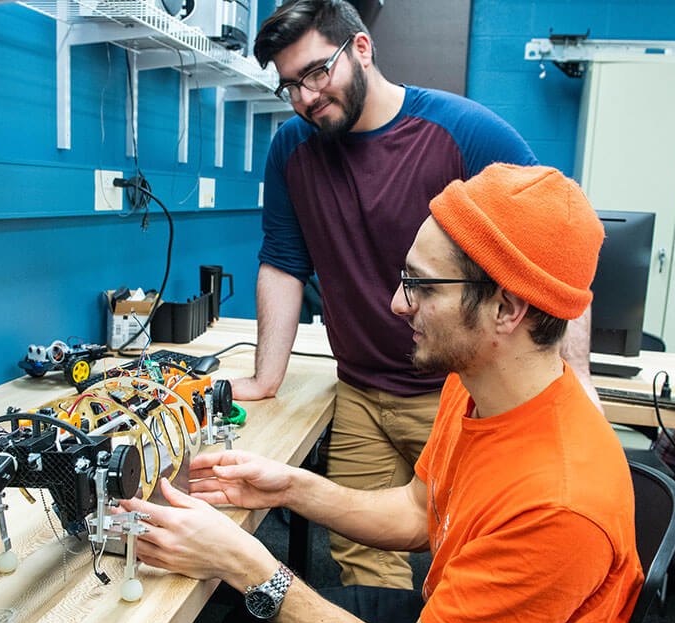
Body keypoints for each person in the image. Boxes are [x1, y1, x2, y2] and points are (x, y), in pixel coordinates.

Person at [122, 164, 643, 623]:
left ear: (506, 309)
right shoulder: (476, 385)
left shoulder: (560, 504)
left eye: (421, 285)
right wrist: (288, 487)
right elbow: (420, 512)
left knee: (259, 603)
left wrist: (246, 563)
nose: (397, 303)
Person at [232, 0, 599, 590]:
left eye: (316, 73)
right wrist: (265, 377)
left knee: (469, 558)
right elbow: (282, 262)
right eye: (289, 85)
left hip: (456, 392)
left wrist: (575, 380)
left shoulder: (463, 131)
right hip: (360, 390)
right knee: (364, 569)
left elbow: (553, 252)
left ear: (361, 49)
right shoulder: (291, 151)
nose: (304, 97)